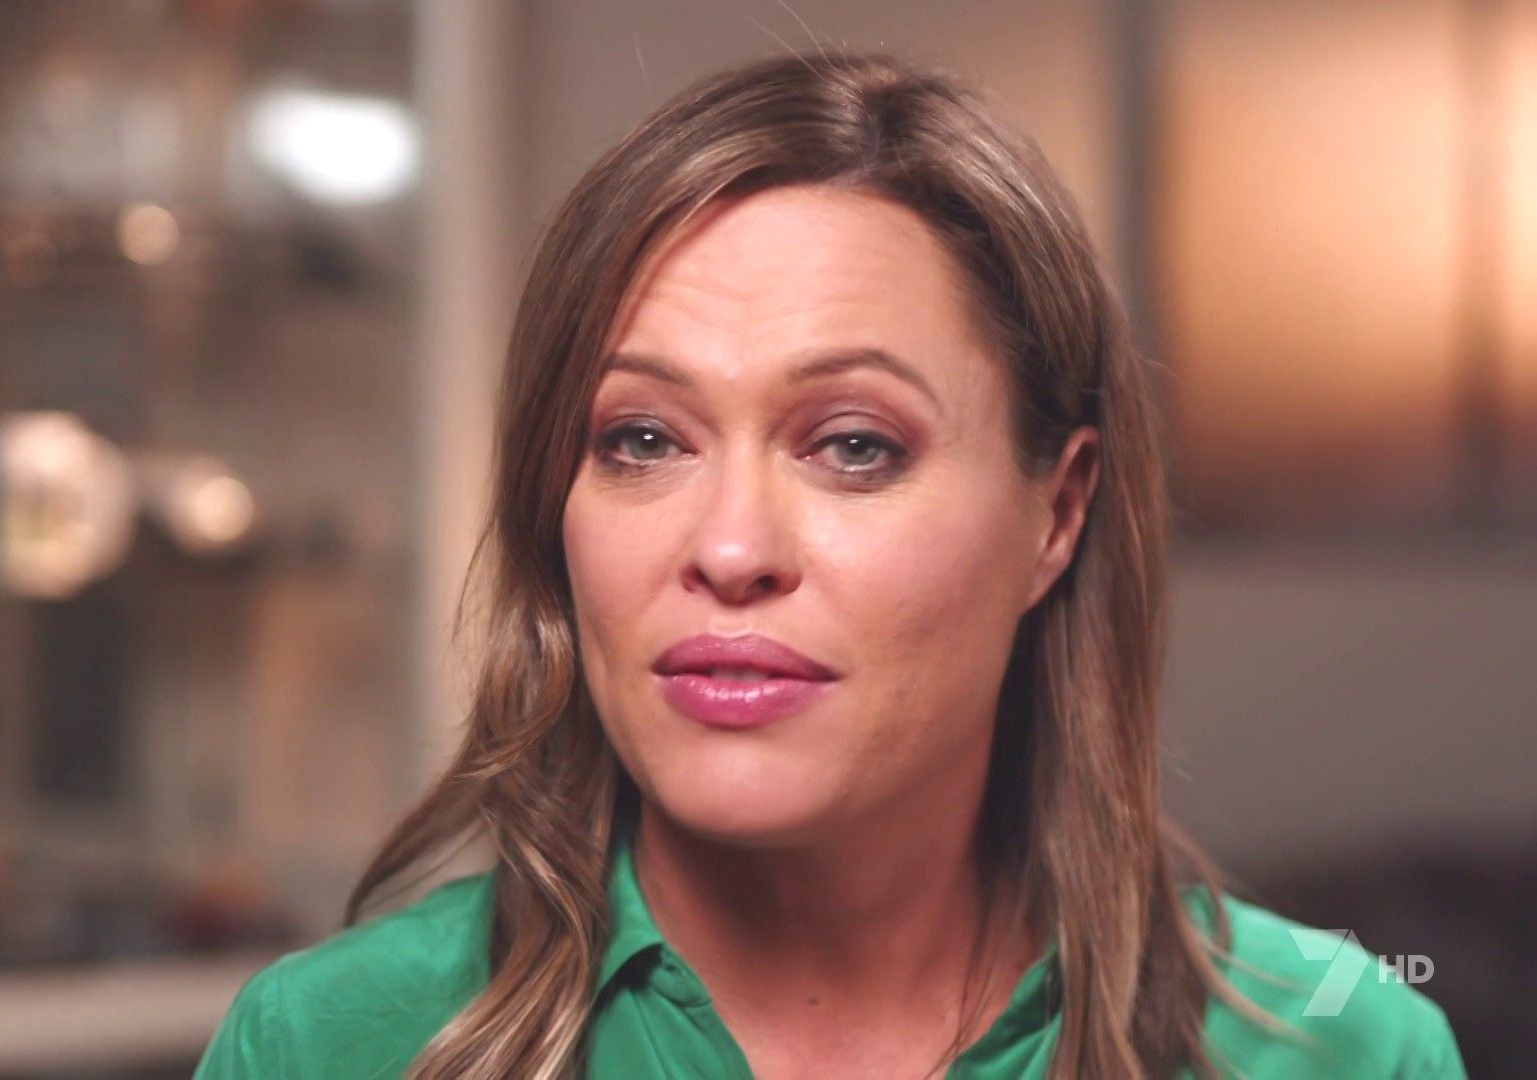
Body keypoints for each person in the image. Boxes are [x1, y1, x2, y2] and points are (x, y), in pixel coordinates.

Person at [195, 49, 1467, 1079]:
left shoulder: (1339, 1051)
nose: (730, 549)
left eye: (854, 446)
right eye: (643, 440)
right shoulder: (332, 1048)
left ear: (1058, 514)